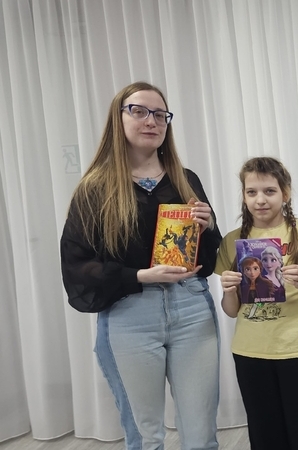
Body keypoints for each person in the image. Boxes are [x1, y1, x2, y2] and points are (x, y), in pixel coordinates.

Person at [60, 81, 223, 449]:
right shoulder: (95, 189)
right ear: (118, 118)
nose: (152, 121)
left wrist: (209, 226)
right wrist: (139, 275)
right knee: (146, 437)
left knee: (201, 435)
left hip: (191, 309)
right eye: (139, 111)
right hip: (129, 315)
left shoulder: (186, 179)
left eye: (160, 115)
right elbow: (76, 265)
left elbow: (209, 257)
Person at [215, 156, 298, 450]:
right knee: (265, 435)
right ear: (244, 196)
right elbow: (231, 311)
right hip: (250, 352)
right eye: (251, 192)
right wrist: (228, 290)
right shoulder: (232, 240)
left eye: (269, 191)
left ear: (285, 193)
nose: (260, 200)